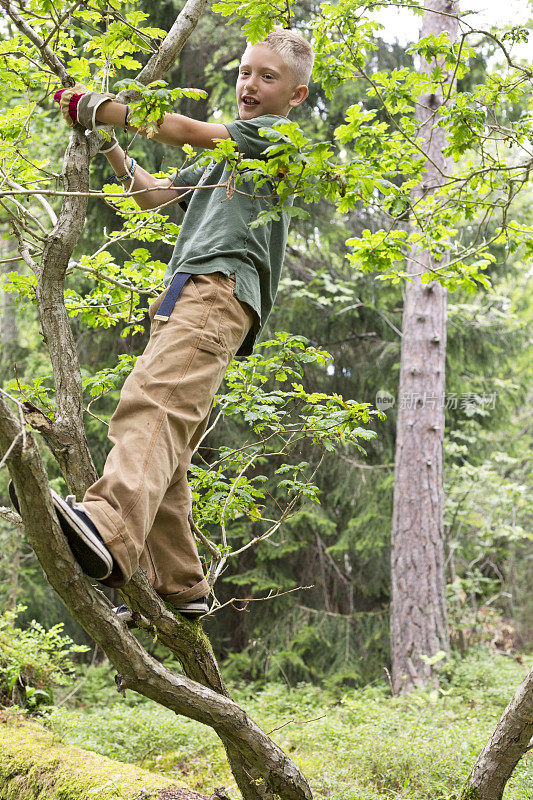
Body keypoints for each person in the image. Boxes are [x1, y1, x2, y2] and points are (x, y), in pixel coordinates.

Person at [10, 28, 314, 622]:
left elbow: (186, 130)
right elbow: (155, 197)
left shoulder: (272, 138)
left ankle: (109, 523)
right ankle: (180, 583)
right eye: (246, 71)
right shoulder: (226, 162)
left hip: (214, 291)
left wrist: (106, 108)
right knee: (167, 446)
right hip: (189, 296)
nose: (250, 84)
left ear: (296, 96)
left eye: (268, 77)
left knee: (150, 405)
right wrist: (113, 147)